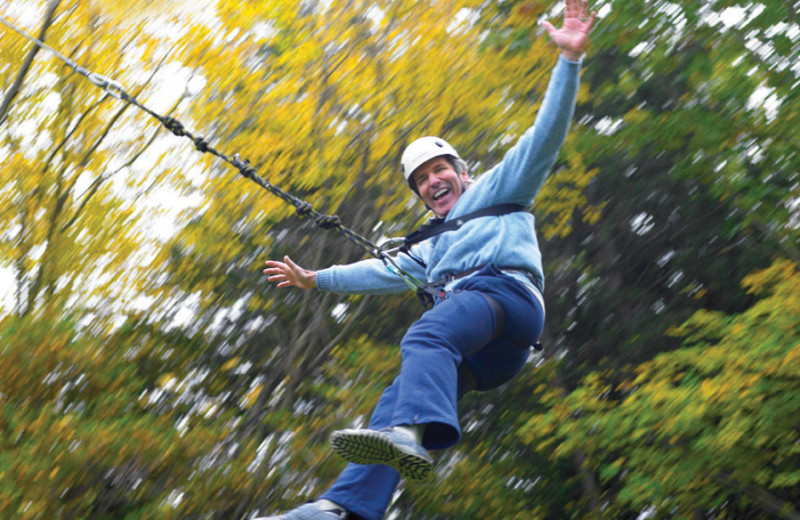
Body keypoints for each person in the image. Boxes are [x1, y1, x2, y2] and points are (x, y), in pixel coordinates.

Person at [258, 1, 595, 518]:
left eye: (439, 170)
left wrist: (568, 62)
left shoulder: (499, 190)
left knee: (424, 336)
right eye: (422, 180)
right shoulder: (432, 244)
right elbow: (381, 272)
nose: (432, 182)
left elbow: (543, 139)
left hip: (506, 299)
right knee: (394, 400)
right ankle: (344, 508)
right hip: (489, 356)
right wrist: (315, 279)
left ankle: (412, 435)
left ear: (461, 171)